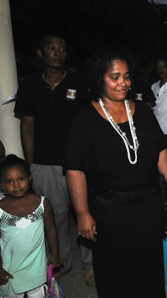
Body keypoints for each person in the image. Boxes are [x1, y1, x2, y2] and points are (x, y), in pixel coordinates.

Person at [64, 46, 167, 297]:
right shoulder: (84, 118)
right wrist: (82, 213)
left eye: (126, 76)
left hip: (148, 206)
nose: (123, 83)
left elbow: (160, 151)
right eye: (114, 77)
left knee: (147, 268)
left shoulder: (144, 111)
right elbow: (74, 170)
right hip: (109, 211)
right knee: (115, 272)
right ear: (99, 79)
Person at [13, 33, 94, 285]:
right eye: (51, 48)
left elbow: (91, 122)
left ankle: (91, 265)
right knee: (55, 217)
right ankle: (62, 262)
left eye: (62, 49)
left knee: (84, 213)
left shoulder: (78, 82)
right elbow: (27, 127)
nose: (58, 53)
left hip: (78, 165)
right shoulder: (29, 86)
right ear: (40, 53)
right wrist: (31, 165)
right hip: (45, 164)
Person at [0, 155, 61, 298]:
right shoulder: (1, 208)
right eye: (9, 181)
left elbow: (51, 230)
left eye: (21, 179)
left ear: (30, 178)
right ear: (1, 185)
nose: (16, 185)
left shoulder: (42, 203)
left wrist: (56, 254)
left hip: (36, 267)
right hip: (9, 268)